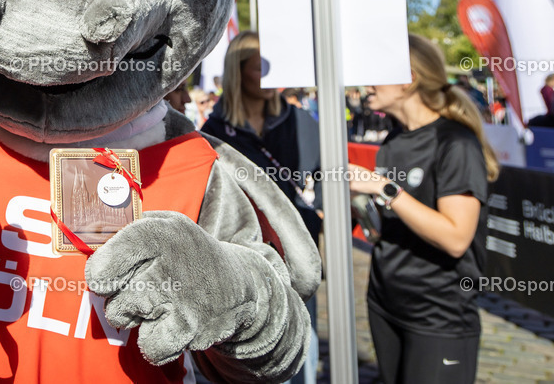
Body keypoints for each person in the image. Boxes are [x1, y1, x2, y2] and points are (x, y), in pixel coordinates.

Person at [348, 35, 499, 384]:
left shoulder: (455, 142)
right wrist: (360, 208)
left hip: (438, 314)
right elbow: (391, 225)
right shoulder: (394, 141)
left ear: (409, 78)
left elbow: (456, 238)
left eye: (376, 74)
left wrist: (383, 188)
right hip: (386, 303)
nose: (366, 85)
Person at [200, 31, 321, 384]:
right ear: (239, 72)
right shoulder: (214, 130)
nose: (272, 76)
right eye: (261, 67)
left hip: (298, 255)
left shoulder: (301, 122)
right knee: (251, 358)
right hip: (246, 259)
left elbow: (328, 175)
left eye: (275, 67)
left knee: (301, 353)